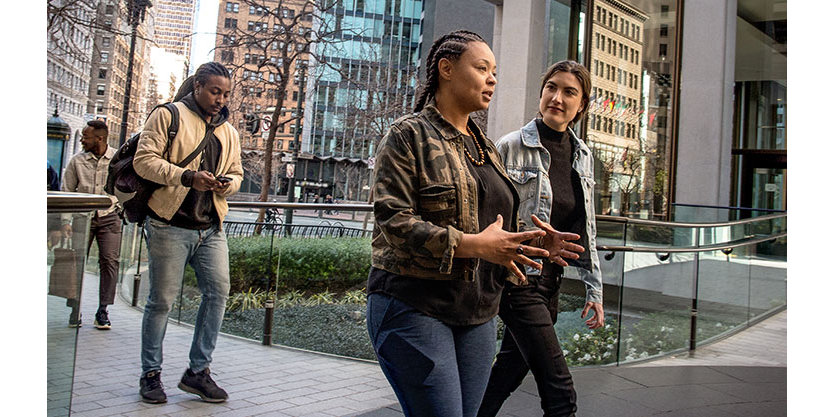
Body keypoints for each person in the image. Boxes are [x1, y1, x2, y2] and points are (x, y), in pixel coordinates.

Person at [367, 30, 550, 417]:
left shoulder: (484, 145)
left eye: (495, 71)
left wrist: (531, 242)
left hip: (478, 313)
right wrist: (472, 246)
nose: (492, 79)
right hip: (414, 305)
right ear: (446, 69)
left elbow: (493, 225)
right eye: (482, 68)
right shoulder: (408, 135)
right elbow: (393, 221)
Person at [478, 60, 604, 417]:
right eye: (552, 87)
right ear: (541, 92)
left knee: (507, 374)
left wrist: (595, 290)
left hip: (551, 282)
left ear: (582, 105)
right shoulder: (509, 146)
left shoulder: (583, 157)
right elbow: (487, 216)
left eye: (569, 92)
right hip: (517, 279)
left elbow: (586, 227)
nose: (557, 98)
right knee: (560, 392)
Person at [133, 62, 243, 404]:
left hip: (211, 227)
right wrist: (187, 176)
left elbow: (237, 172)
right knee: (161, 302)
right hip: (169, 225)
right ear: (197, 86)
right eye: (214, 91)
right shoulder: (168, 116)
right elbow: (143, 161)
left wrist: (228, 185)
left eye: (226, 94)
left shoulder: (229, 131)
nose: (221, 100)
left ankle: (198, 372)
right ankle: (151, 375)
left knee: (218, 294)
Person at [61, 120, 122, 329]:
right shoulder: (76, 161)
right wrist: (65, 222)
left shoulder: (116, 159)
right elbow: (66, 191)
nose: (82, 140)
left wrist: (121, 209)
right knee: (76, 262)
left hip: (110, 217)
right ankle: (75, 308)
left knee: (110, 262)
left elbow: (126, 188)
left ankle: (103, 310)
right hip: (81, 217)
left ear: (100, 139)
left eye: (85, 137)